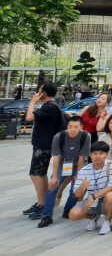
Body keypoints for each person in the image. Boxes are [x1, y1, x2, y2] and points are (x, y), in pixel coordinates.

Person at [40, 116, 92, 227]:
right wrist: (54, 176)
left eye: (76, 127)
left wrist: (78, 175)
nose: (72, 129)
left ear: (81, 127)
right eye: (70, 126)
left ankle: (68, 210)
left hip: (79, 165)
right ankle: (47, 215)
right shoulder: (59, 137)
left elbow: (82, 158)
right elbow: (56, 158)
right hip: (62, 165)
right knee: (52, 187)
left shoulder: (85, 136)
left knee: (76, 188)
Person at [23, 83, 62, 220]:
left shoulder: (50, 107)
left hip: (44, 145)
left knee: (36, 174)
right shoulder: (51, 106)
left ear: (44, 94)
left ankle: (42, 204)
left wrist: (33, 102)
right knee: (40, 174)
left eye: (38, 91)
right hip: (43, 144)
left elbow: (29, 117)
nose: (36, 93)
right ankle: (44, 202)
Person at [68, 141, 112, 235]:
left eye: (101, 153)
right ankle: (92, 217)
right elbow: (77, 194)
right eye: (95, 153)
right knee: (73, 214)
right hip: (93, 200)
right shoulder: (84, 170)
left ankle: (107, 221)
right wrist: (82, 186)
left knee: (111, 195)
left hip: (106, 199)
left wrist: (93, 197)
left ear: (106, 155)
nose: (97, 156)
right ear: (90, 155)